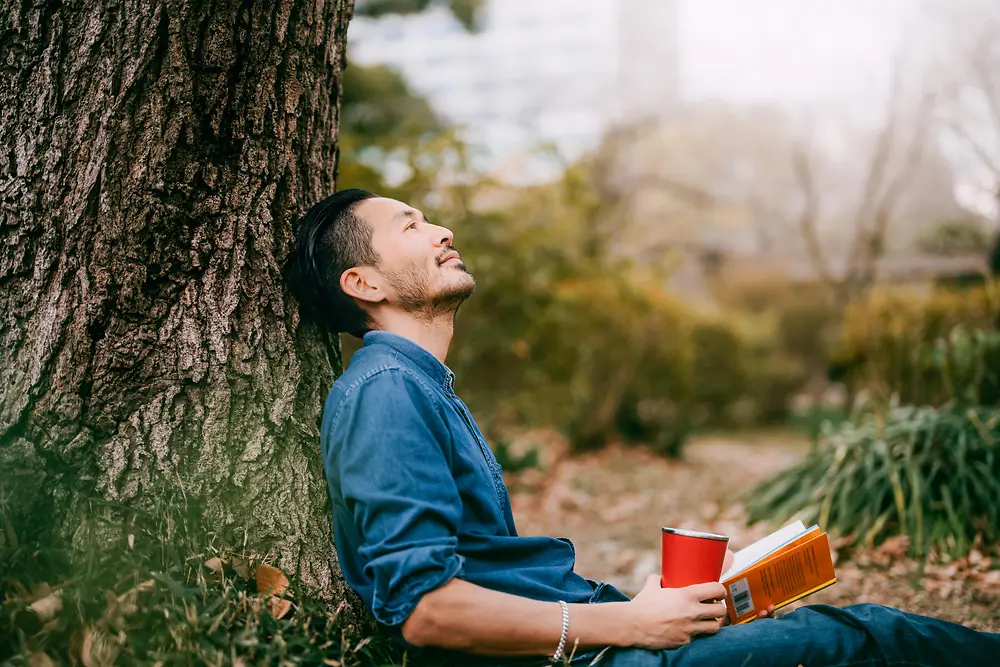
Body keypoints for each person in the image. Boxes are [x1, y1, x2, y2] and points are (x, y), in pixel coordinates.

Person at [287, 189, 999, 666]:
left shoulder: (417, 386)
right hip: (596, 658)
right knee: (864, 638)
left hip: (602, 638)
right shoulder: (386, 392)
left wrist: (650, 607)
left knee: (833, 629)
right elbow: (427, 611)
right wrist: (632, 625)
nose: (441, 228)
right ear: (365, 284)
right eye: (410, 226)